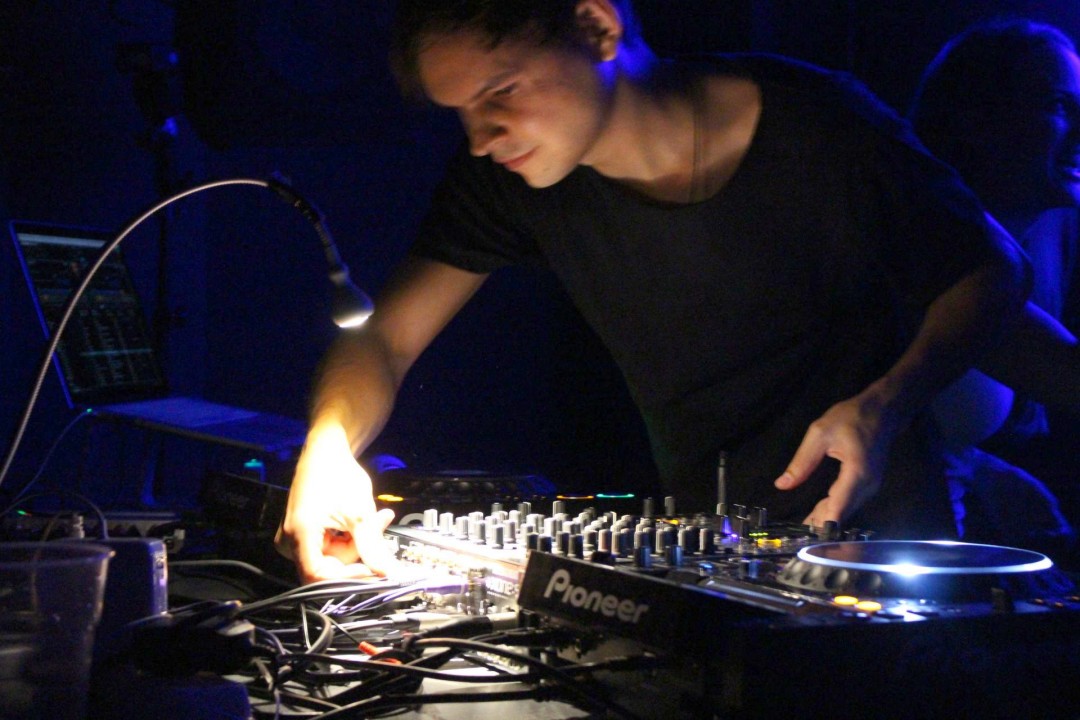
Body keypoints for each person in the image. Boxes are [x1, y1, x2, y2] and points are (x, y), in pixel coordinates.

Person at [275, 0, 1030, 584]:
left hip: (883, 542)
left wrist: (885, 402)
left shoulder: (818, 122)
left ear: (598, 27)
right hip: (707, 552)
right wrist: (327, 450)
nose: (480, 137)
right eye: (462, 113)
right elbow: (384, 339)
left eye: (501, 91)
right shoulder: (504, 181)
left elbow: (993, 269)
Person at [909, 18, 1080, 553]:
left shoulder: (1044, 242)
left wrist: (982, 469)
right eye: (1057, 105)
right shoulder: (926, 243)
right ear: (974, 118)